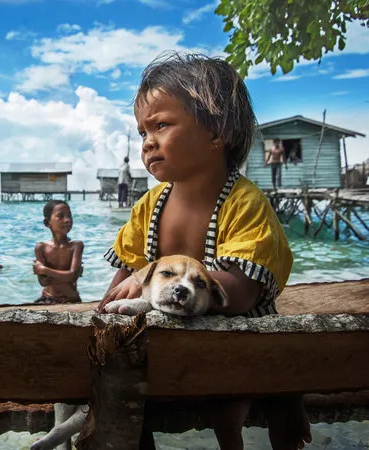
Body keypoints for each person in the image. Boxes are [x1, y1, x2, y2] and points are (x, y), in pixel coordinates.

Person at [97, 53, 310, 450]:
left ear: (217, 132)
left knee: (244, 405)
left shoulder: (243, 202)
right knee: (119, 382)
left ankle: (282, 405)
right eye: (143, 131)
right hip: (168, 339)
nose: (148, 143)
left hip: (238, 337)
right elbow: (126, 272)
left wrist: (152, 288)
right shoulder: (148, 205)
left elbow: (241, 293)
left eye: (160, 125)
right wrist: (117, 297)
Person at [33, 200, 84, 304]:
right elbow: (43, 282)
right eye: (60, 216)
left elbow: (72, 276)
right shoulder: (41, 248)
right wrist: (67, 276)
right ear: (47, 223)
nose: (67, 220)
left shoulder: (76, 246)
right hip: (47, 298)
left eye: (69, 216)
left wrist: (44, 269)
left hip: (71, 300)